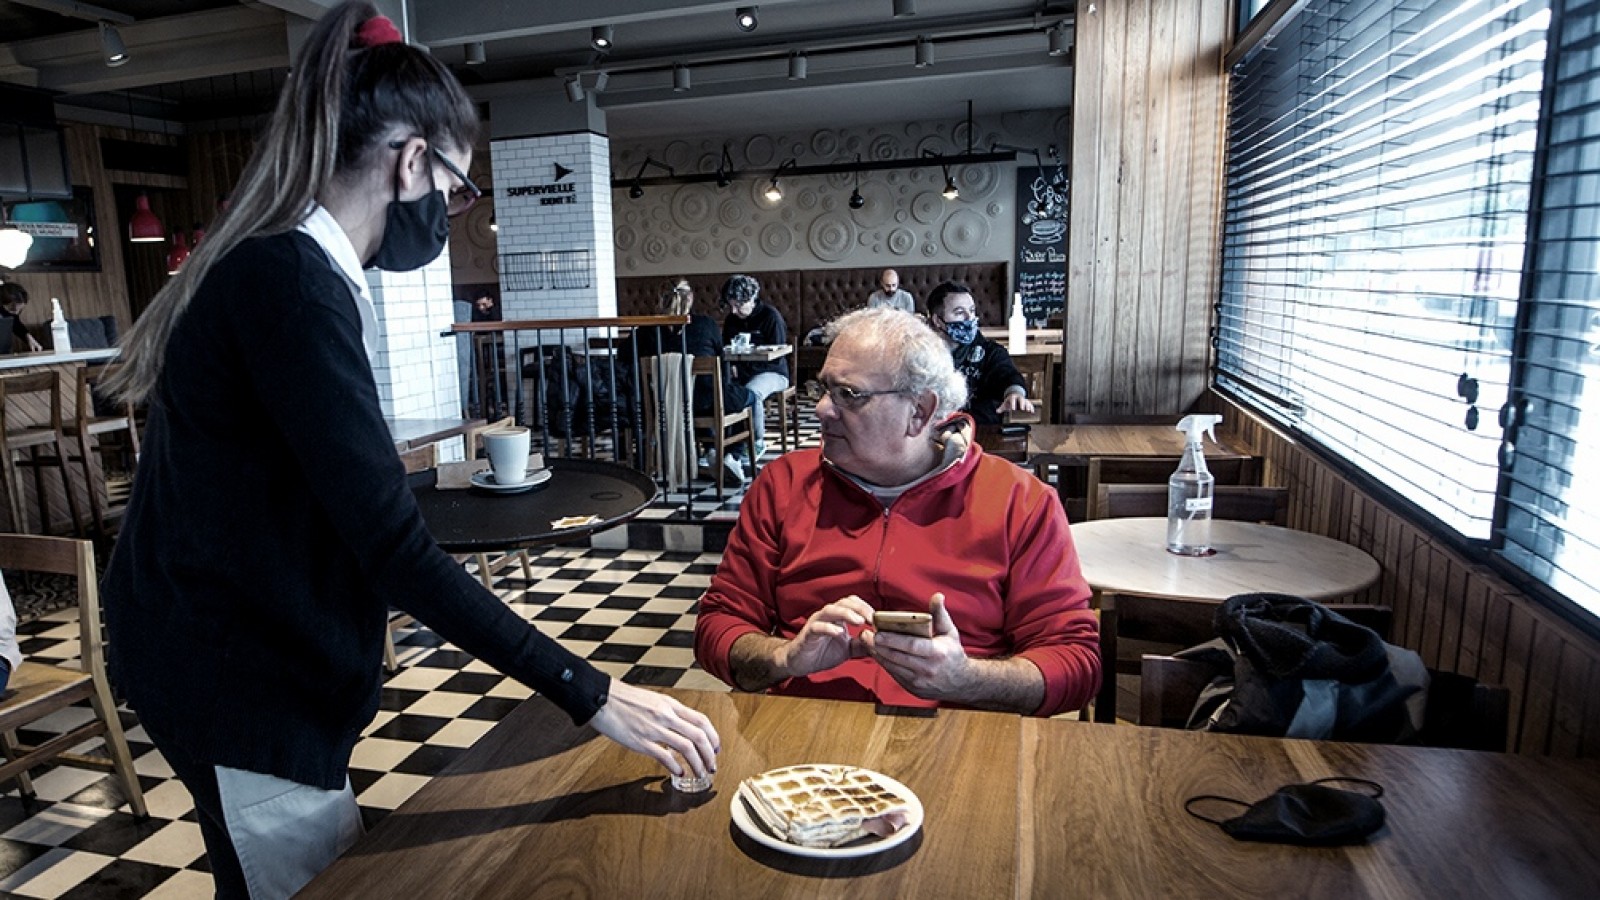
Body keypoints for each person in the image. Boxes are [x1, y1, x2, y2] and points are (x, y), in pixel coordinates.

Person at [99, 6, 718, 898]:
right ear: (413, 160)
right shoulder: (291, 288)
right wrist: (595, 695)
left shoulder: (285, 270)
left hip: (219, 654)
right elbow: (392, 550)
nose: (452, 212)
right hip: (237, 677)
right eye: (459, 188)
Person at [694, 307, 1099, 716]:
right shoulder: (784, 485)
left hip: (962, 741)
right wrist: (784, 658)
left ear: (920, 411)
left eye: (849, 395)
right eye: (824, 389)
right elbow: (717, 625)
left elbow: (1076, 663)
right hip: (806, 739)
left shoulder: (1020, 501)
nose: (821, 410)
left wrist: (966, 678)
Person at [629, 280, 757, 483]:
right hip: (704, 402)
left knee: (688, 397)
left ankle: (710, 449)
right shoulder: (706, 325)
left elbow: (625, 358)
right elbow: (721, 362)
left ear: (660, 300)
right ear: (691, 298)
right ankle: (731, 455)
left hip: (660, 405)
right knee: (747, 396)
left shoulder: (644, 330)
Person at [926, 280, 1035, 424]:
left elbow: (1007, 374)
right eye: (959, 313)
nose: (969, 318)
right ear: (937, 320)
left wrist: (1014, 393)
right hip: (932, 434)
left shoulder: (990, 351)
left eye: (971, 311)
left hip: (983, 432)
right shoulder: (921, 354)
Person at [719, 273, 789, 463]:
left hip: (773, 372)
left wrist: (743, 367)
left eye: (738, 305)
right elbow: (724, 348)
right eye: (730, 305)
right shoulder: (731, 320)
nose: (733, 310)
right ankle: (726, 444)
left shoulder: (770, 317)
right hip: (741, 373)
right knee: (721, 390)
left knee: (752, 393)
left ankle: (757, 441)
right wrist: (732, 365)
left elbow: (778, 354)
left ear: (751, 299)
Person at [0, 282, 44, 353]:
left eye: (19, 310)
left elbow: (15, 323)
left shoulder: (10, 312)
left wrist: (28, 337)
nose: (16, 312)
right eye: (12, 309)